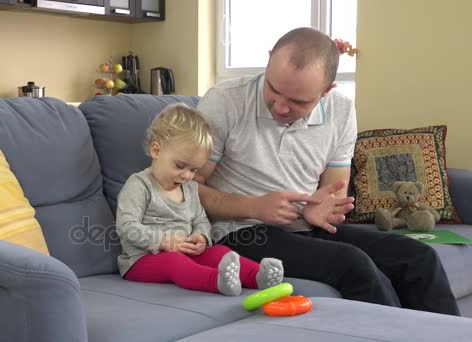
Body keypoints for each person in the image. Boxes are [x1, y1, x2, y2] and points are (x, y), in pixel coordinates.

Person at [195, 27, 460, 315]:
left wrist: (322, 210)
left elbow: (333, 191)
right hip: (240, 233)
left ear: (327, 91)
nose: (281, 107)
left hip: (305, 229)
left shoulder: (341, 111)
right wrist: (253, 206)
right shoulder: (225, 101)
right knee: (353, 264)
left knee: (419, 257)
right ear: (269, 59)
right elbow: (183, 188)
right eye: (273, 89)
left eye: (299, 101)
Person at [116, 104, 284, 296]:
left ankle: (258, 276)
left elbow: (201, 220)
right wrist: (163, 241)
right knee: (174, 262)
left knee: (218, 251)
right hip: (142, 260)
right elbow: (126, 227)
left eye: (194, 170)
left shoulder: (190, 188)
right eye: (180, 166)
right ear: (156, 150)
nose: (187, 175)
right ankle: (216, 281)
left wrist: (201, 236)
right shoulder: (139, 185)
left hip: (185, 252)